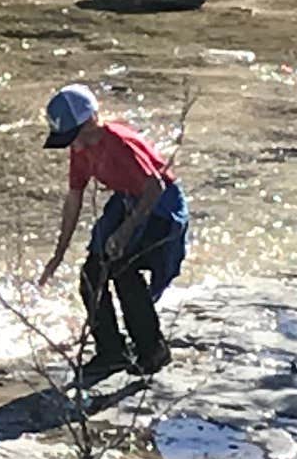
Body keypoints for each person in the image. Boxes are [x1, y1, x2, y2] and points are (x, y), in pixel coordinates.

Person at [33, 83, 190, 383]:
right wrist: (58, 254)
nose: (73, 147)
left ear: (91, 121)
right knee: (92, 275)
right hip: (127, 200)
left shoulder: (118, 142)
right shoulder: (80, 148)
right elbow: (74, 197)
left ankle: (153, 350)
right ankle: (111, 352)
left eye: (74, 137)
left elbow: (154, 187)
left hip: (159, 206)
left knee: (123, 269)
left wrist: (126, 230)